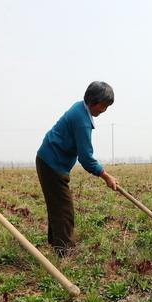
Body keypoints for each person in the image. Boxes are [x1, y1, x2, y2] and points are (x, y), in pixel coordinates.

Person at [36, 82, 118, 256]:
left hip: (49, 160)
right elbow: (86, 158)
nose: (104, 110)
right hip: (52, 163)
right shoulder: (82, 121)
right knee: (64, 209)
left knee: (57, 206)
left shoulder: (80, 107)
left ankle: (56, 244)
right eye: (104, 106)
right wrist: (106, 176)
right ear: (94, 102)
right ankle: (64, 252)